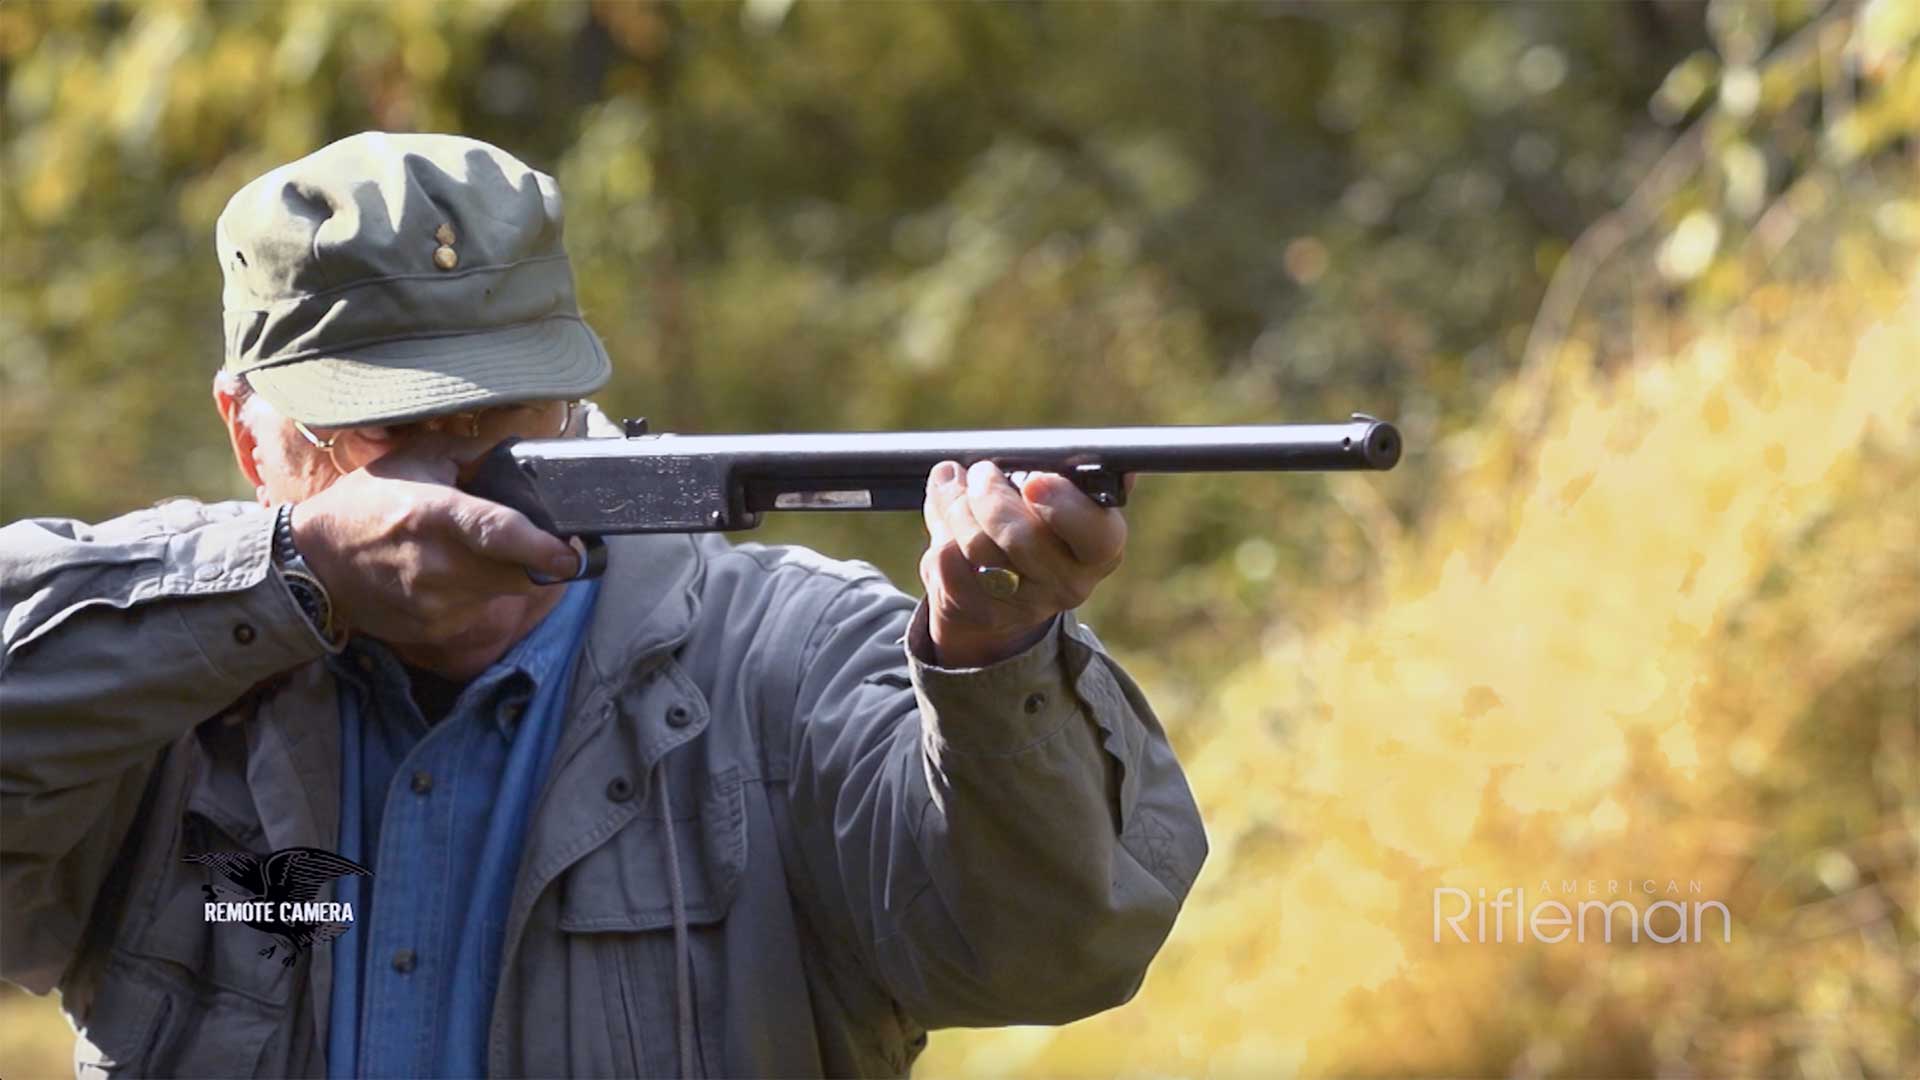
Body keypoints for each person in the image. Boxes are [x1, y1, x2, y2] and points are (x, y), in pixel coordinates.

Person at [0, 132, 1207, 1078]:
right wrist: (290, 577)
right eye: (392, 436)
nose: (457, 479)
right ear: (248, 436)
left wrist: (994, 658)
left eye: (505, 422)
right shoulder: (163, 688)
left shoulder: (786, 662)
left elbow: (1056, 950)